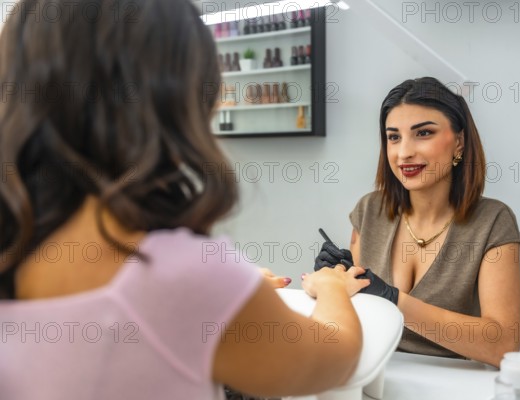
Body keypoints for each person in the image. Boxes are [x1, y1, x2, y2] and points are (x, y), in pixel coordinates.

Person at [0, 1, 370, 399]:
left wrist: (232, 295)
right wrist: (330, 287)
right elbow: (336, 358)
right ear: (174, 94)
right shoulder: (180, 276)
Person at [315, 77, 520, 368]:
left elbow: (504, 344)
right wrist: (335, 283)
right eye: (393, 137)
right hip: (374, 372)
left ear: (460, 142)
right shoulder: (370, 210)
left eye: (423, 133)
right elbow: (357, 317)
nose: (404, 153)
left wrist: (394, 299)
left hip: (453, 383)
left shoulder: (493, 221)